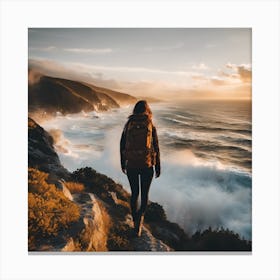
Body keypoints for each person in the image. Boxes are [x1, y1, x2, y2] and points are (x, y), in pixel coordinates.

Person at [120, 100, 161, 237]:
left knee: (134, 194)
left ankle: (134, 221)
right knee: (144, 196)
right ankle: (139, 223)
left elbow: (122, 144)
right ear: (147, 110)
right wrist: (158, 166)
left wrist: (123, 162)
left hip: (131, 164)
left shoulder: (129, 124)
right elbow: (156, 146)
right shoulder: (150, 124)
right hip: (146, 165)